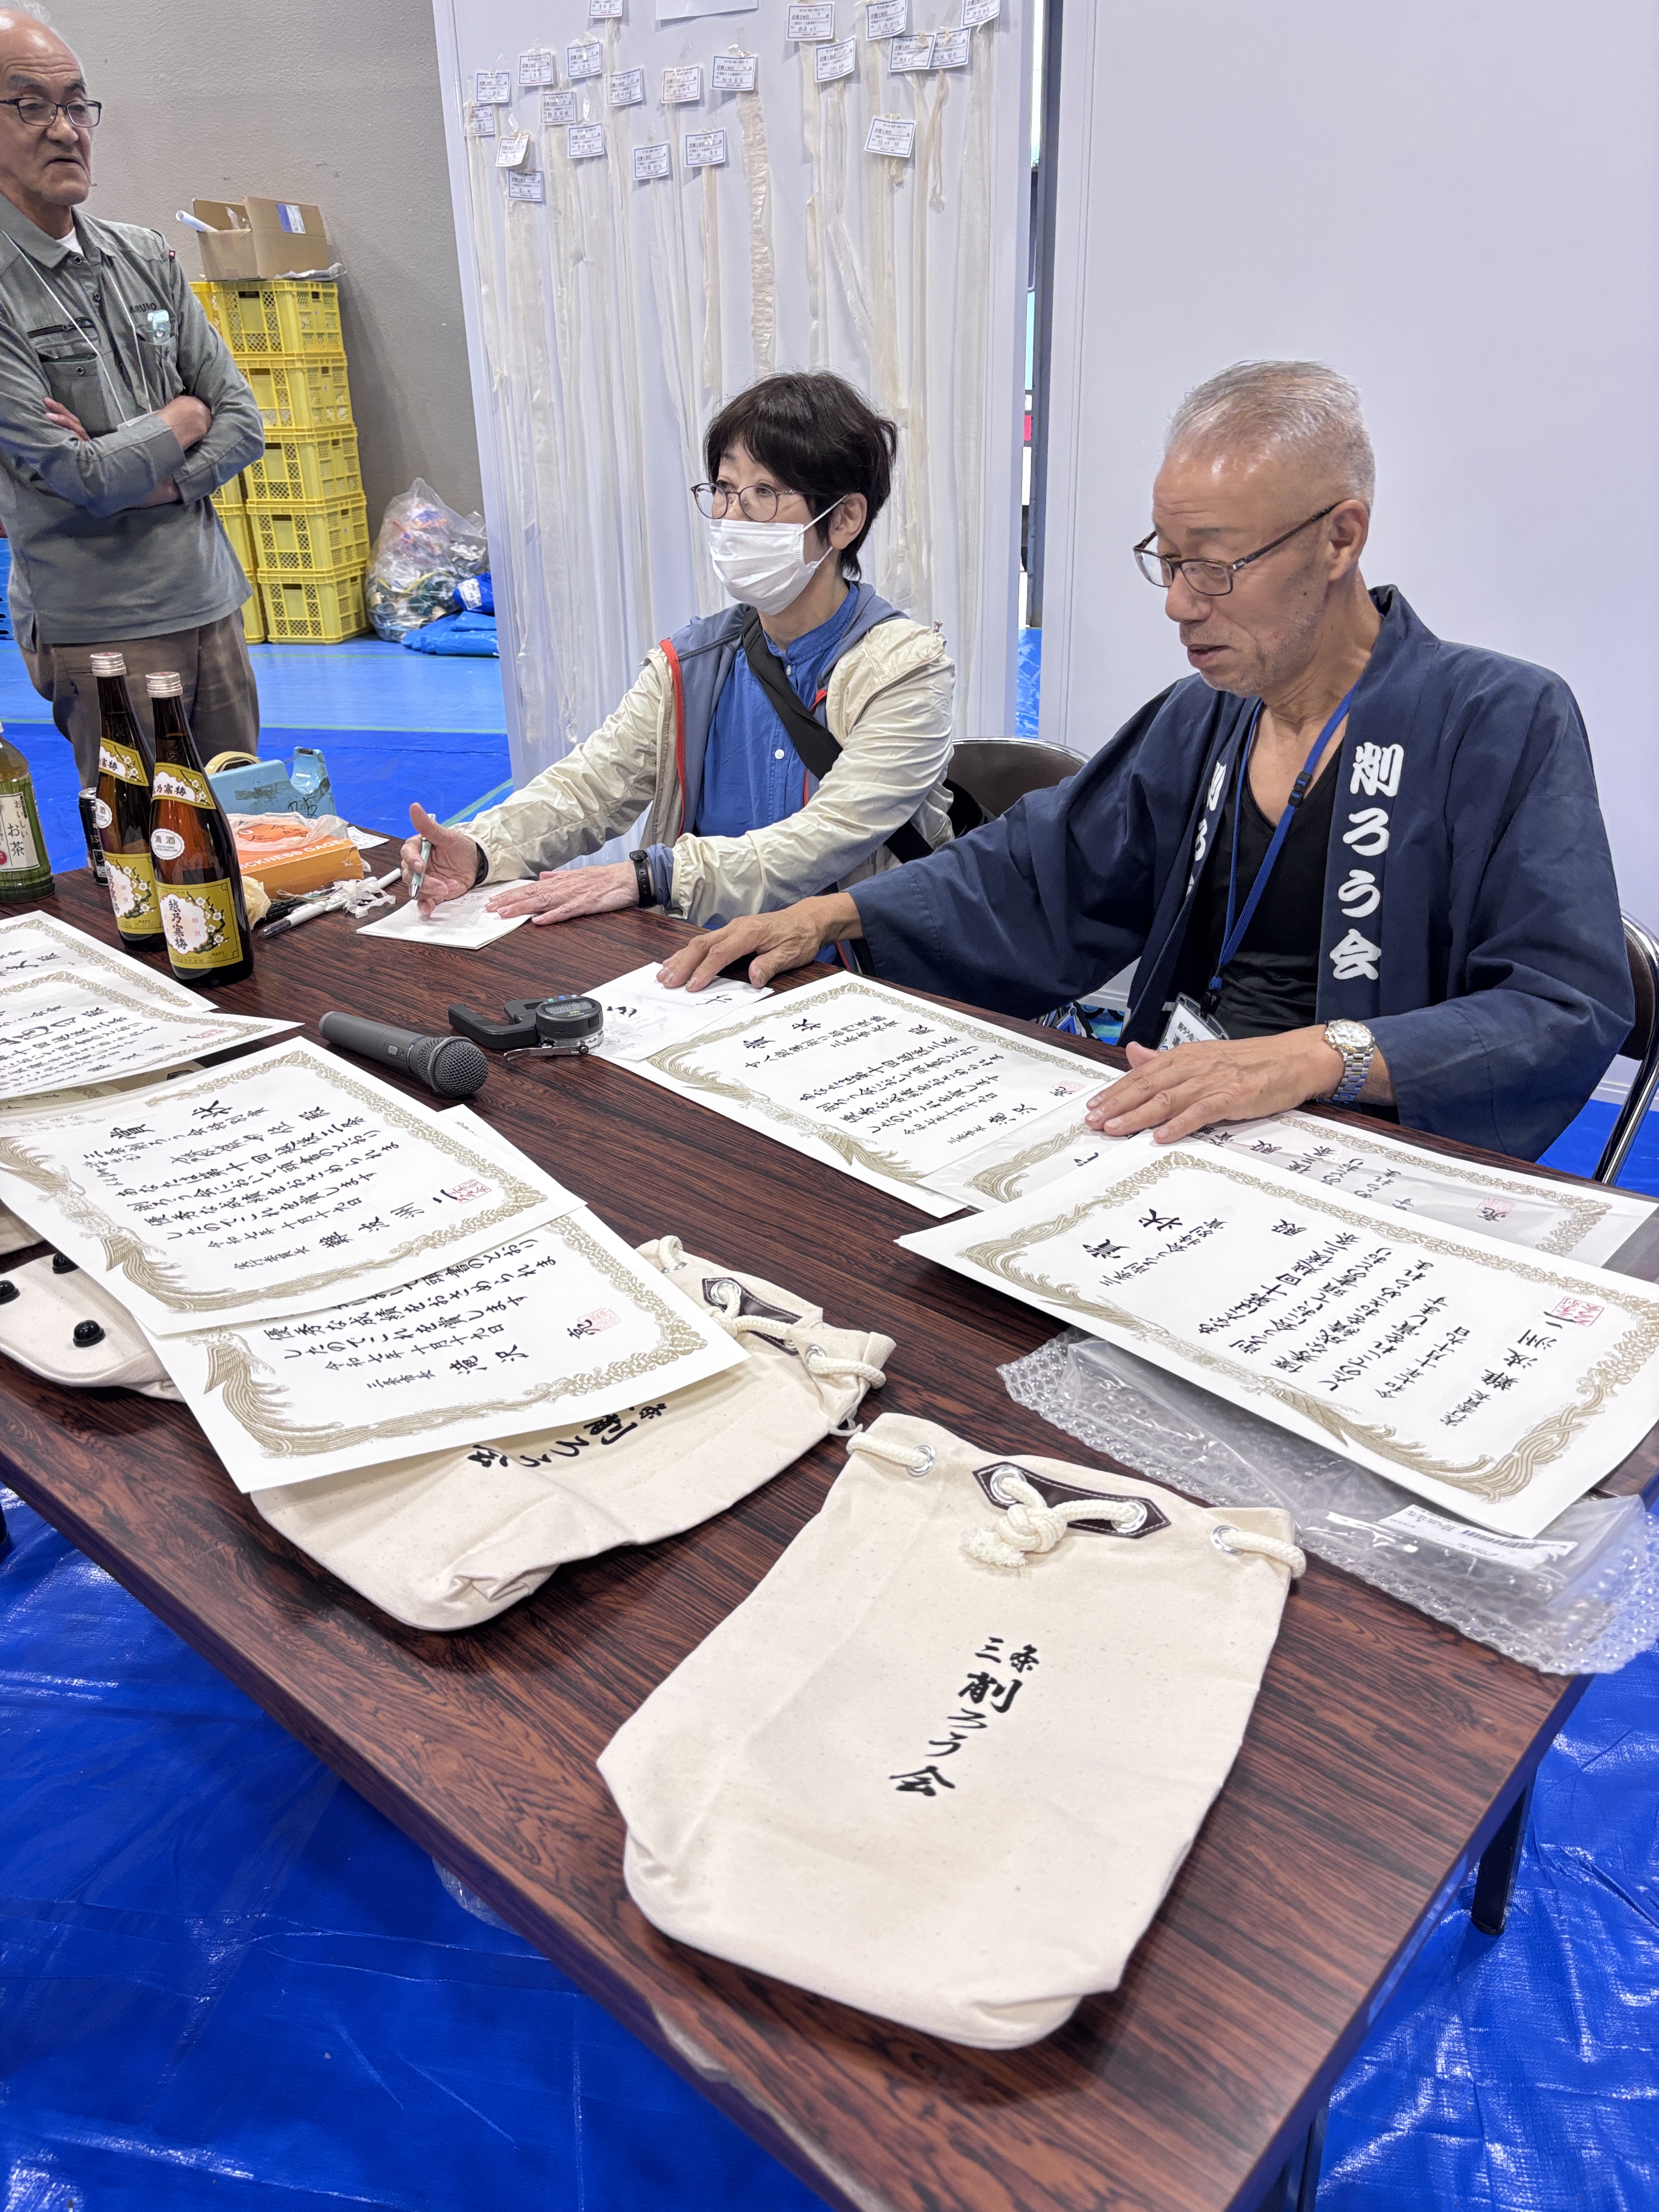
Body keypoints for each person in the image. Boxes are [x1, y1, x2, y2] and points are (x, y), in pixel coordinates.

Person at [660, 360, 1633, 1163]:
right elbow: (1036, 871)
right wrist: (836, 913)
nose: (1178, 603)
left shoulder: (1498, 718)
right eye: (1166, 561)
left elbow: (1560, 1003)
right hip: (1178, 1123)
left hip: (1371, 1160)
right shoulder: (1200, 716)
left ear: (1340, 537)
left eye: (1214, 564)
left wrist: (1315, 1058)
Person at [400, 371, 954, 932]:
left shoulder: (906, 672)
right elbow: (593, 785)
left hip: (848, 968)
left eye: (764, 493)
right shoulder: (691, 664)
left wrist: (653, 876)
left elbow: (822, 839)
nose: (731, 516)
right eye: (725, 489)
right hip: (697, 960)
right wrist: (482, 848)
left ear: (844, 519)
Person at [0, 12, 264, 785]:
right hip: (102, 631)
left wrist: (156, 480)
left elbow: (242, 421)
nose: (65, 129)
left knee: (249, 830)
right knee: (147, 847)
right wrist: (182, 418)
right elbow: (78, 476)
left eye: (77, 105)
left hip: (209, 602)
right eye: (31, 105)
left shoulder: (144, 255)